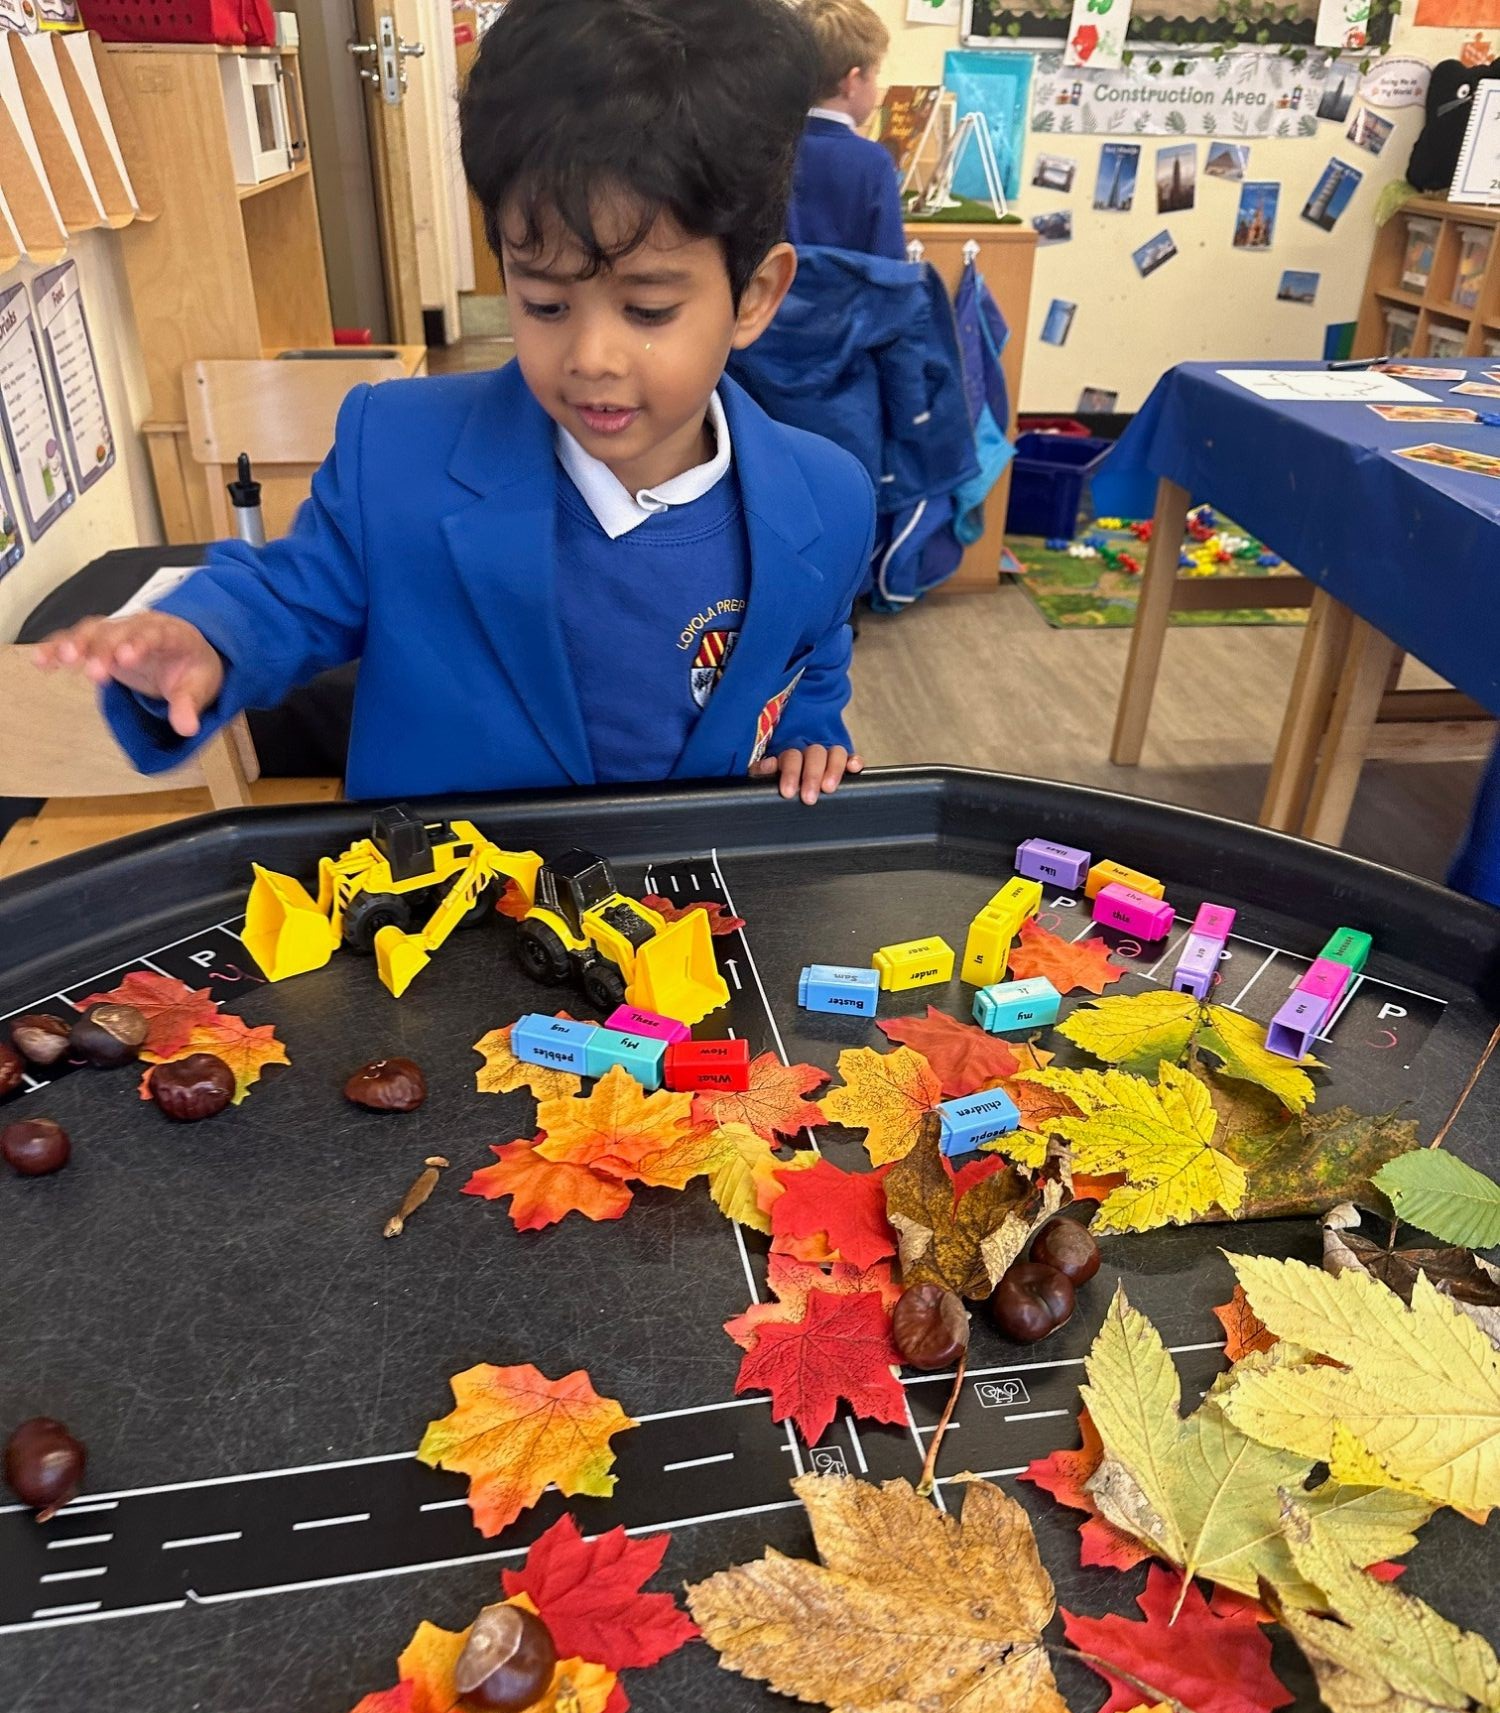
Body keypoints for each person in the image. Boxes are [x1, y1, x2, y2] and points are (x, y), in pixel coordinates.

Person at [35, 0, 871, 807]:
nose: (589, 357)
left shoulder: (827, 500)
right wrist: (202, 641)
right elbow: (288, 595)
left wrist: (808, 722)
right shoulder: (395, 454)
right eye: (544, 303)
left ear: (755, 296)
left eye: (648, 310)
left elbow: (815, 641)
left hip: (684, 916)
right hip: (440, 918)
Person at [787, 0, 906, 262]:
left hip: (775, 301)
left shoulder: (768, 149)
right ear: (852, 82)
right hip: (855, 303)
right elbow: (892, 271)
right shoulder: (873, 163)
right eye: (875, 74)